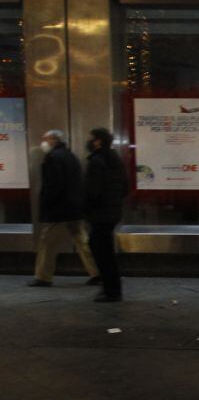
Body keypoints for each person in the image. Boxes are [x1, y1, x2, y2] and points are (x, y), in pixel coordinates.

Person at [27, 129, 100, 288]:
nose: (43, 142)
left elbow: (52, 185)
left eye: (46, 139)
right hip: (75, 207)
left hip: (59, 209)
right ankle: (97, 272)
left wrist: (46, 206)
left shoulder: (52, 157)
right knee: (82, 240)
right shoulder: (70, 155)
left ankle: (43, 277)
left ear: (54, 140)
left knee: (47, 243)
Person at [84, 128, 129, 303]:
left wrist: (87, 208)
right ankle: (112, 288)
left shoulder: (97, 161)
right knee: (106, 251)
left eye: (91, 138)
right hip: (112, 212)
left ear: (98, 141)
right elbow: (124, 187)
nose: (88, 141)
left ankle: (111, 290)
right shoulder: (115, 159)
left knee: (101, 252)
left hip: (100, 214)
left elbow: (92, 191)